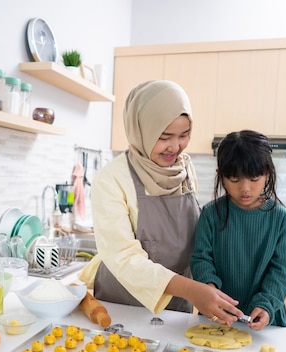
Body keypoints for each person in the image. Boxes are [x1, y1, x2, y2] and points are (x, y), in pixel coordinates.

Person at [78, 80, 244, 320]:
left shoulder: (185, 169)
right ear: (141, 131)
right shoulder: (111, 179)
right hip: (123, 307)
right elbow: (124, 258)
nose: (175, 147)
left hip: (178, 305)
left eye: (184, 135)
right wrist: (191, 289)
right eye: (164, 137)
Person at [190, 130, 286, 330]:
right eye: (235, 180)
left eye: (254, 179)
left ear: (267, 174)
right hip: (217, 316)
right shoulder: (210, 214)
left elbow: (281, 271)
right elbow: (201, 259)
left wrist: (267, 304)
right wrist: (209, 291)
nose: (245, 188)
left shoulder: (281, 219)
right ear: (221, 176)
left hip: (265, 320)